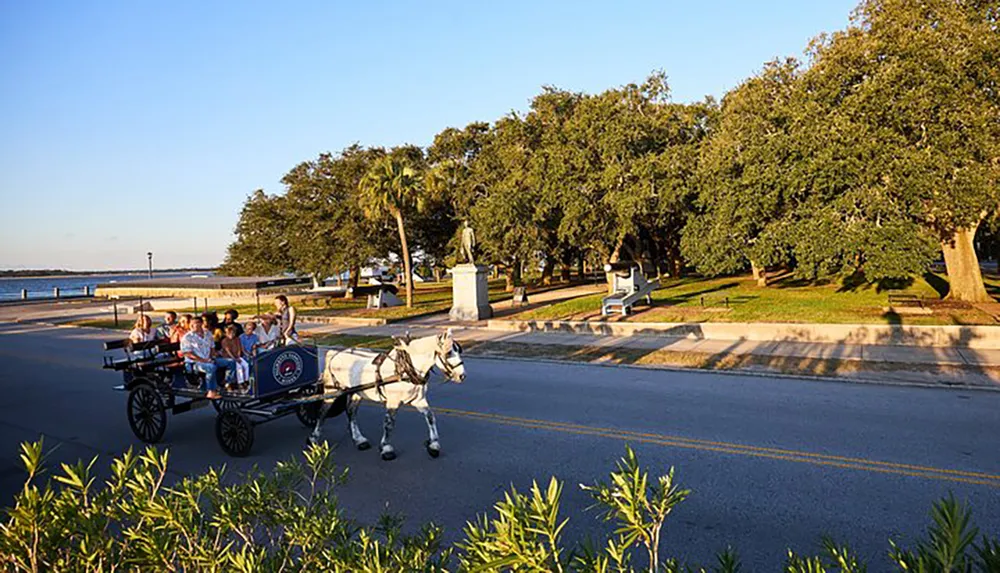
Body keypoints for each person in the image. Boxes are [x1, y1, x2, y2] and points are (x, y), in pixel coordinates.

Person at [179, 316, 229, 399]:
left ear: (201, 324)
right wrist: (203, 360)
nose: (191, 326)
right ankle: (211, 391)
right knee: (211, 367)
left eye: (194, 324)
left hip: (208, 359)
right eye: (191, 324)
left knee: (231, 362)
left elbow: (212, 347)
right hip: (195, 363)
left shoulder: (208, 333)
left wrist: (212, 357)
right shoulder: (187, 337)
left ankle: (227, 383)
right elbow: (188, 354)